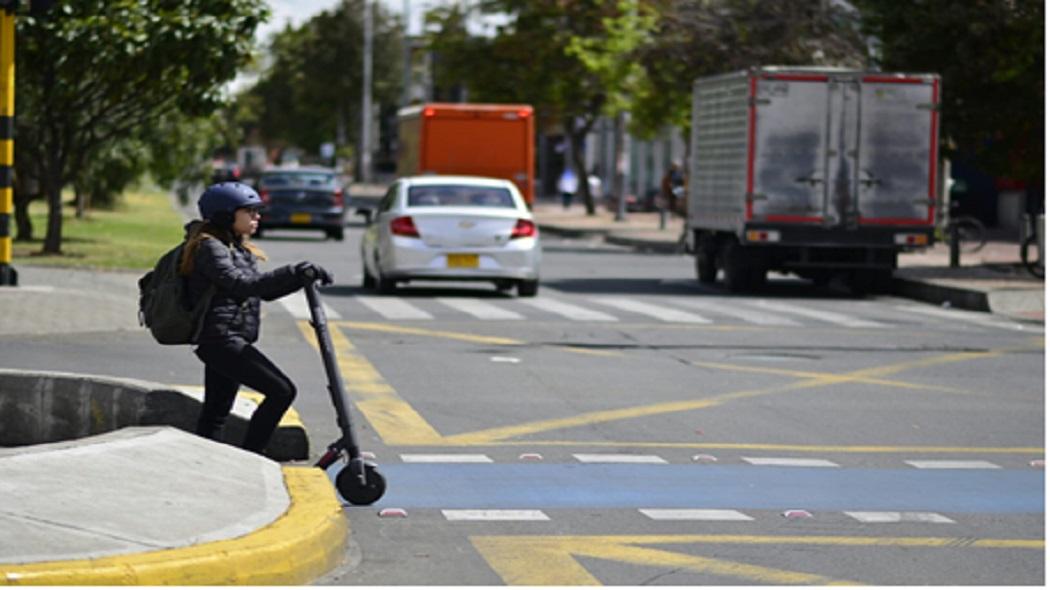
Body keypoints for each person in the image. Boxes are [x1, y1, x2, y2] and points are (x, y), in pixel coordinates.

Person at [179, 182, 333, 455]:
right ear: (226, 215)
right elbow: (244, 285)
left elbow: (262, 291)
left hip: (225, 340)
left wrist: (300, 278)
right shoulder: (210, 248)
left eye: (257, 211)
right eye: (249, 211)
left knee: (215, 414)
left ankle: (204, 464)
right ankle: (252, 457)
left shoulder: (236, 248)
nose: (257, 217)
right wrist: (294, 271)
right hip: (221, 341)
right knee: (282, 391)